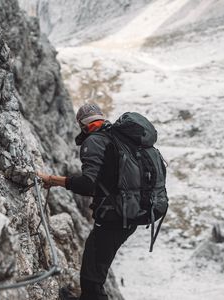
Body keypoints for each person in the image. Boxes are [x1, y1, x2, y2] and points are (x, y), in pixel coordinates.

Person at [37, 103, 137, 300]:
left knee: (92, 277)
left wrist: (53, 180)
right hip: (129, 213)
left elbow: (88, 185)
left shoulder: (94, 141)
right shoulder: (117, 137)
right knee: (95, 269)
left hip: (114, 218)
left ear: (82, 124)